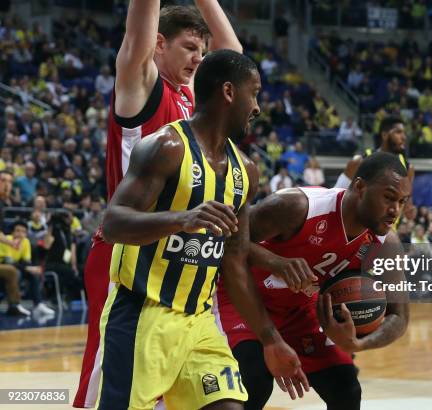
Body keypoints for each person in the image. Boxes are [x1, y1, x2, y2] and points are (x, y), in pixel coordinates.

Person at [97, 50, 305, 409]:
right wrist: (182, 219)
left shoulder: (246, 172)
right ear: (228, 92)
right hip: (142, 315)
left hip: (199, 322)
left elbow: (235, 261)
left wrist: (270, 338)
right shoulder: (166, 147)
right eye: (253, 92)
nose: (257, 106)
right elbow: (113, 223)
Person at [74, 2, 244, 408]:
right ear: (159, 45)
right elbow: (137, 32)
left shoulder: (192, 100)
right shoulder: (141, 86)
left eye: (201, 51)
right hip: (128, 252)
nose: (198, 58)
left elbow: (233, 61)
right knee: (107, 383)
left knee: (177, 389)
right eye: (188, 48)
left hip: (183, 260)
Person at [217, 152, 413, 410]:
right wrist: (275, 262)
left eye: (402, 202)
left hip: (299, 311)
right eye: (389, 198)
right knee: (254, 381)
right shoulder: (297, 206)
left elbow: (400, 316)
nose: (395, 211)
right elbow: (225, 240)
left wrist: (358, 344)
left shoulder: (386, 244)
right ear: (360, 187)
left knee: (346, 390)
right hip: (242, 300)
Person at [335, 116, 414, 226]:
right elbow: (336, 195)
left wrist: (409, 209)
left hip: (387, 233)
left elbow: (407, 204)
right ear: (385, 135)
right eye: (398, 132)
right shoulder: (359, 161)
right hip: (360, 230)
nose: (404, 137)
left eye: (404, 133)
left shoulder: (408, 168)